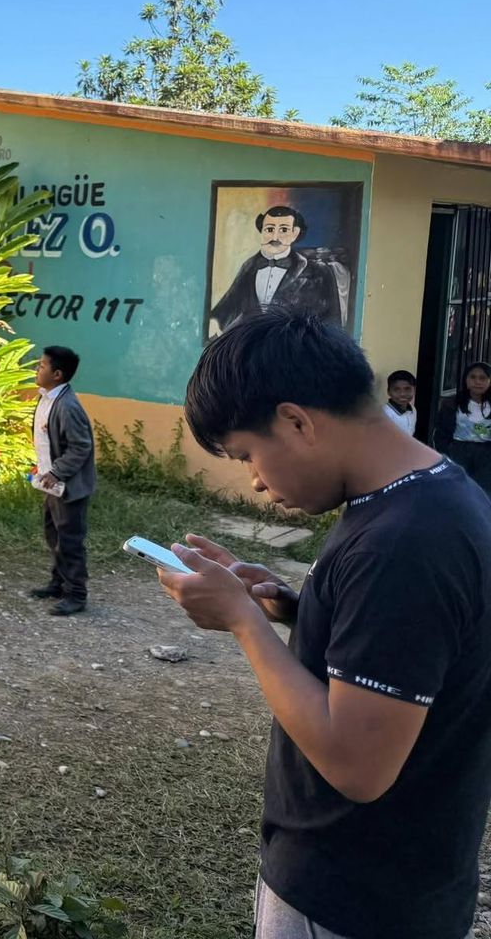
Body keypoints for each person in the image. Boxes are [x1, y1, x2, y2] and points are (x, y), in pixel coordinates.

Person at [158, 311, 491, 939]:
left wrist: (242, 623)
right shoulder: (422, 494)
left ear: (296, 421)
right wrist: (293, 607)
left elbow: (358, 766)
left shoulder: (405, 543)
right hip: (393, 878)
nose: (256, 481)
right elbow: (404, 647)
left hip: (354, 895)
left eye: (248, 455)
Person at [27, 345, 96, 617]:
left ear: (57, 374)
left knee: (69, 541)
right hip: (52, 485)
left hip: (69, 487)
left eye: (42, 365)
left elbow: (80, 447)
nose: (37, 368)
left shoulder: (67, 406)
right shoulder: (47, 399)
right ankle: (58, 583)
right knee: (53, 534)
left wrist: (56, 472)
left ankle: (76, 594)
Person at [210, 205, 343, 333]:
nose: (275, 237)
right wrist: (213, 323)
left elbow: (333, 322)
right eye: (269, 229)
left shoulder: (318, 271)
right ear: (262, 231)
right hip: (252, 344)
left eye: (283, 230)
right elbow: (228, 305)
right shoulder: (249, 267)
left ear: (295, 233)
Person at [433, 360, 491, 496]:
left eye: (483, 378)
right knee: (458, 490)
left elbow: (481, 429)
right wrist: (445, 454)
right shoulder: (452, 403)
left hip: (486, 454)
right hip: (459, 451)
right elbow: (441, 433)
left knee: (484, 492)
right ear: (466, 380)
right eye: (473, 377)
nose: (477, 382)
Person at [383, 369, 417, 437]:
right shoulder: (384, 414)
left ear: (414, 390)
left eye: (407, 389)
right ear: (388, 392)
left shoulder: (413, 410)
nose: (402, 394)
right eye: (396, 389)